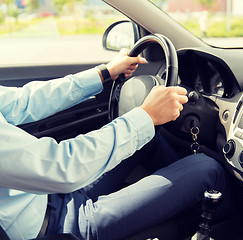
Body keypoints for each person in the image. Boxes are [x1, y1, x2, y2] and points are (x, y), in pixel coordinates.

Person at [0, 49, 229, 239]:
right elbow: (61, 167)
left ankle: (189, 203)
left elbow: (22, 102)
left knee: (148, 140)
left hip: (47, 195)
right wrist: (146, 116)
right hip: (56, 227)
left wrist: (103, 73)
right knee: (206, 169)